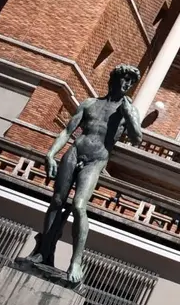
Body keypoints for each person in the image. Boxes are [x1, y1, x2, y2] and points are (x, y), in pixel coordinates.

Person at [22, 64, 142, 284]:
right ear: (113, 80)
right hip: (75, 151)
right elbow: (68, 131)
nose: (126, 84)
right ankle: (44, 250)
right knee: (57, 201)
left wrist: (129, 116)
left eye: (130, 82)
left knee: (78, 205)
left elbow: (137, 138)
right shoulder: (90, 104)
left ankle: (75, 262)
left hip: (97, 159)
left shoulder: (128, 110)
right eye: (123, 79)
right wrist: (50, 154)